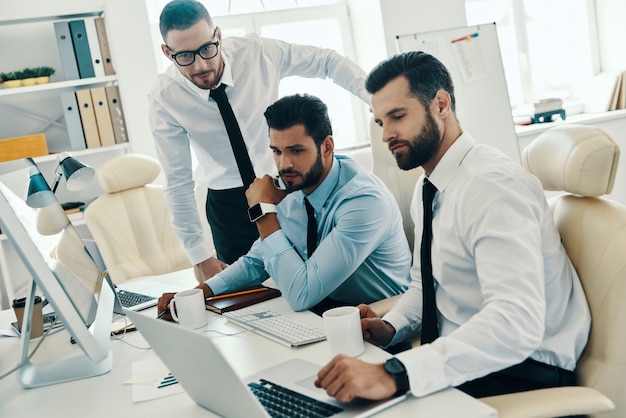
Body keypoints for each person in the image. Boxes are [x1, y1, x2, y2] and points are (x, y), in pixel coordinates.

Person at [314, 51, 591, 401]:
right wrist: (391, 327)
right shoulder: (429, 187)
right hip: (465, 357)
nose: (386, 135)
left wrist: (396, 373)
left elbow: (515, 324)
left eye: (397, 116)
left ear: (441, 105)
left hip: (520, 370)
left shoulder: (492, 188)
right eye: (380, 121)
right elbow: (425, 285)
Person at [148, 0, 371, 283]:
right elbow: (178, 181)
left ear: (218, 35)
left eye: (207, 49)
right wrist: (199, 256)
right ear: (167, 53)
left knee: (308, 280)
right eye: (186, 57)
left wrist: (373, 98)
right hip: (228, 207)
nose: (201, 65)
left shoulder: (257, 53)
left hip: (282, 188)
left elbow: (325, 60)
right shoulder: (164, 98)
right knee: (245, 299)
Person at [158, 93, 411, 315]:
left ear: (327, 146)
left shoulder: (363, 202)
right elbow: (257, 260)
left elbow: (302, 294)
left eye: (296, 151)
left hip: (377, 324)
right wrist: (198, 293)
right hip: (321, 315)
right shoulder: (295, 187)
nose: (284, 165)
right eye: (277, 151)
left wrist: (263, 212)